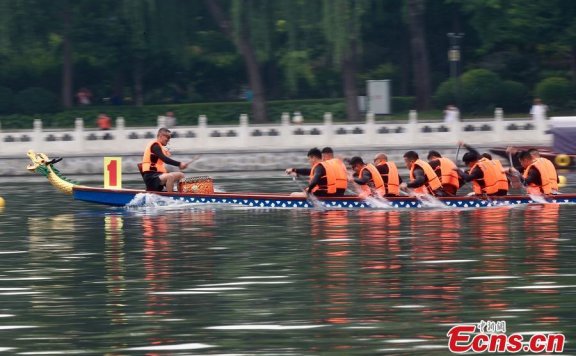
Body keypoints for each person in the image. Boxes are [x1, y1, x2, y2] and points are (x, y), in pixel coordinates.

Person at [141, 128, 189, 192]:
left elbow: (164, 157)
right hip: (151, 177)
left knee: (181, 175)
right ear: (160, 136)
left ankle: (181, 194)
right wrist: (179, 164)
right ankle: (170, 198)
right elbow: (165, 159)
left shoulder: (160, 147)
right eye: (167, 137)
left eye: (170, 138)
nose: (169, 140)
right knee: (170, 176)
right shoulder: (155, 146)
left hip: (159, 175)